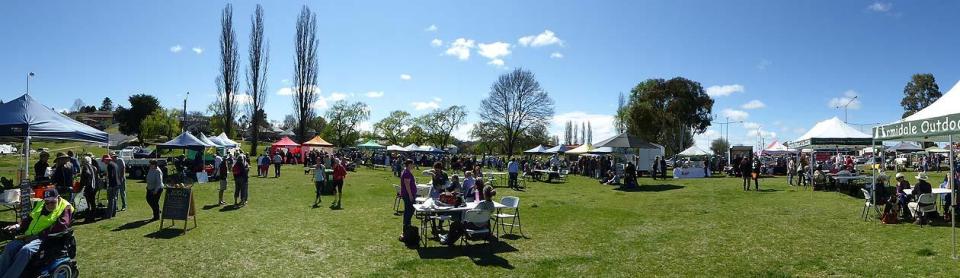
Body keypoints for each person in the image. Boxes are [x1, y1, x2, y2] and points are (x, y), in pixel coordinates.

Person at [0, 187, 73, 278]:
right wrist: (17, 226)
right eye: (47, 202)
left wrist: (40, 234)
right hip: (28, 235)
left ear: (58, 198)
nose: (49, 204)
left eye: (52, 202)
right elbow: (29, 219)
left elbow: (62, 225)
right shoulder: (40, 204)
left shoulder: (66, 206)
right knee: (9, 247)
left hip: (45, 238)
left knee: (26, 250)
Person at [398, 160, 418, 242]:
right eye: (412, 164)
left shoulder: (407, 172)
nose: (413, 165)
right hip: (408, 195)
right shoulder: (406, 173)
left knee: (409, 210)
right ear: (409, 164)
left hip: (408, 195)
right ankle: (406, 226)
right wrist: (410, 195)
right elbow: (407, 185)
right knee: (409, 210)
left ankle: (407, 225)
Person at [78, 156, 97, 223]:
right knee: (93, 202)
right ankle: (93, 217)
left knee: (87, 203)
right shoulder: (94, 167)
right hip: (94, 187)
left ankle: (87, 218)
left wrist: (80, 188)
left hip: (88, 187)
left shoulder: (85, 168)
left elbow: (83, 179)